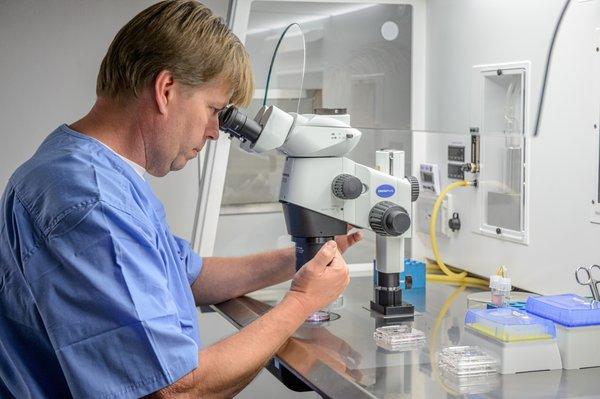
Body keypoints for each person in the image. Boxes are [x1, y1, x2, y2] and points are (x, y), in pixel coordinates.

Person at [0, 1, 363, 398]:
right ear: (166, 89)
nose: (213, 132)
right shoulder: (92, 201)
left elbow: (189, 277)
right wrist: (300, 302)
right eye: (213, 110)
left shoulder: (86, 168)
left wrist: (304, 258)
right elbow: (175, 391)